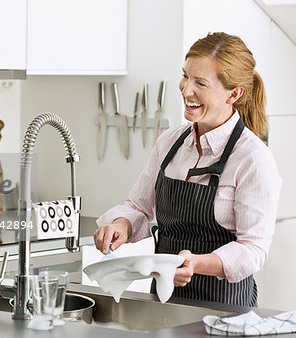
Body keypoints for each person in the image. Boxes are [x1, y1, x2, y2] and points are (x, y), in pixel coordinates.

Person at [93, 32, 281, 307]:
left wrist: (196, 264)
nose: (185, 89)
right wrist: (121, 225)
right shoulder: (170, 142)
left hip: (224, 309)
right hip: (164, 302)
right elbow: (139, 206)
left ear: (235, 94)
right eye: (185, 76)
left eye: (200, 83)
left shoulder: (252, 158)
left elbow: (253, 249)